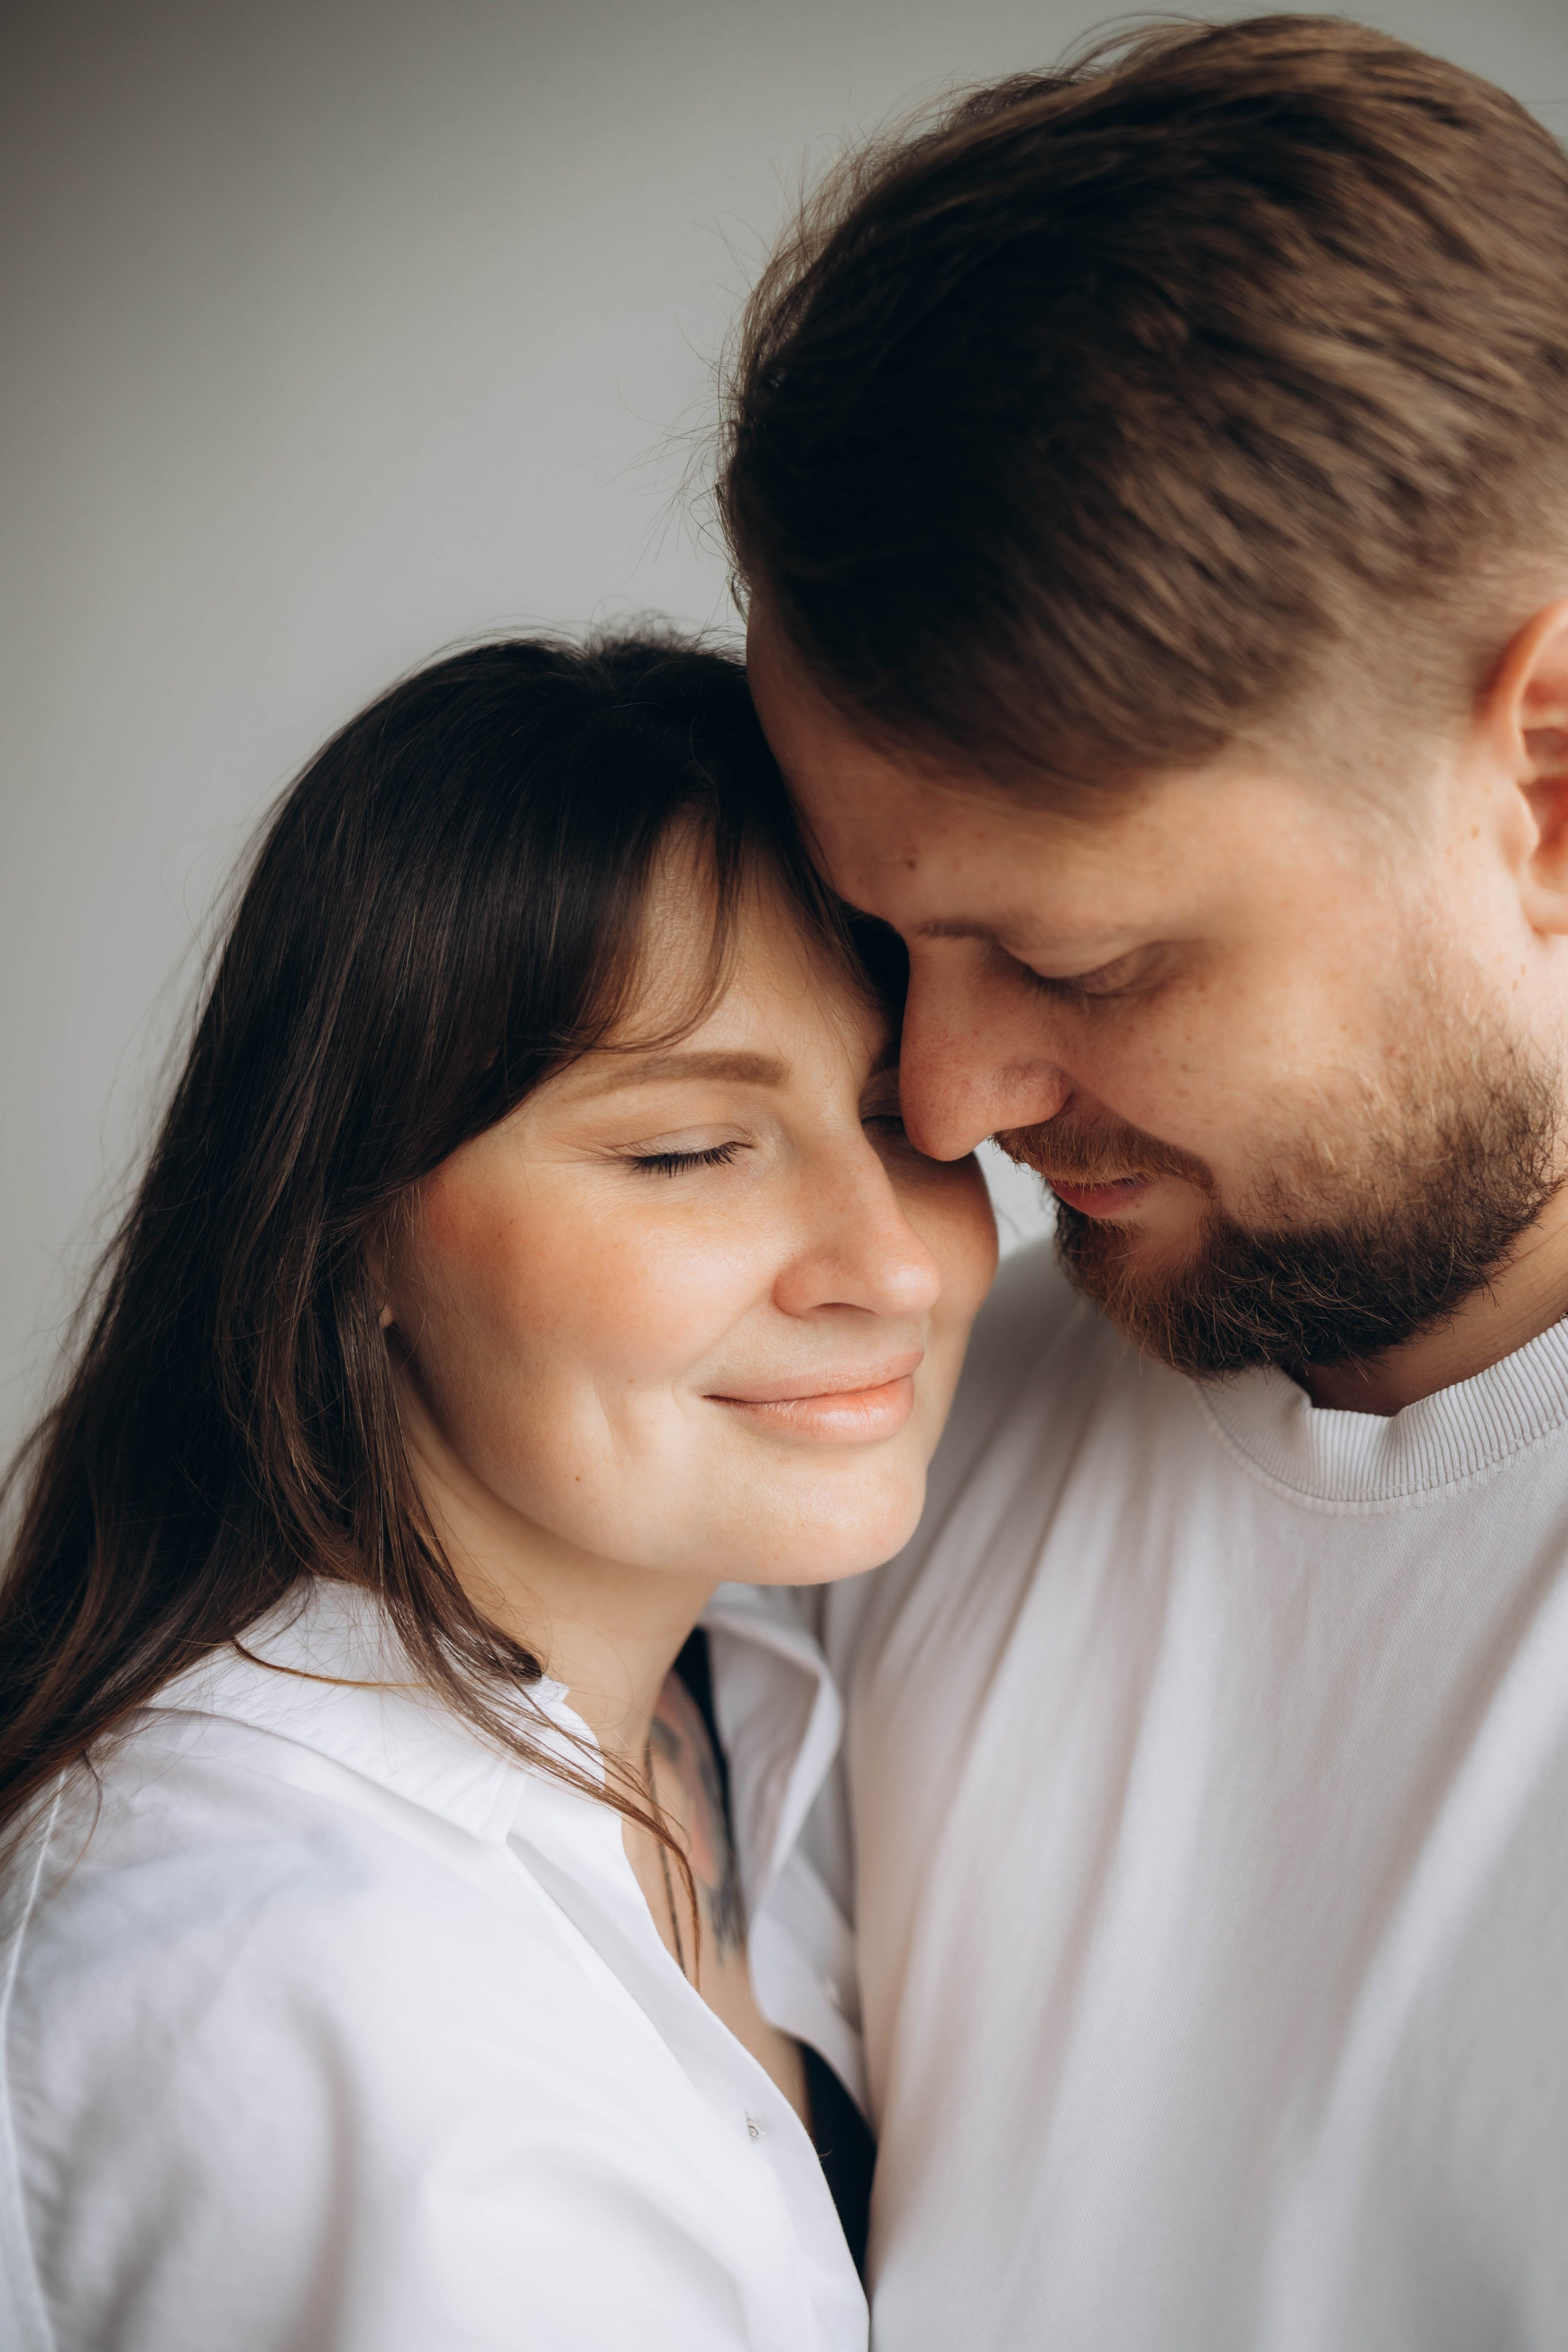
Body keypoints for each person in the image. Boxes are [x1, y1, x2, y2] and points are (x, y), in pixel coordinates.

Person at [723, 17, 1568, 2350]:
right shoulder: (884, 1438)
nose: (947, 1097)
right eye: (882, 939)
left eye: (1076, 958)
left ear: (1553, 783)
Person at [0, 635, 997, 2352]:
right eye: (687, 1151)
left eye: (907, 1120)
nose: (889, 1265)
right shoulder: (323, 2000)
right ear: (349, 1220)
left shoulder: (719, 1699)